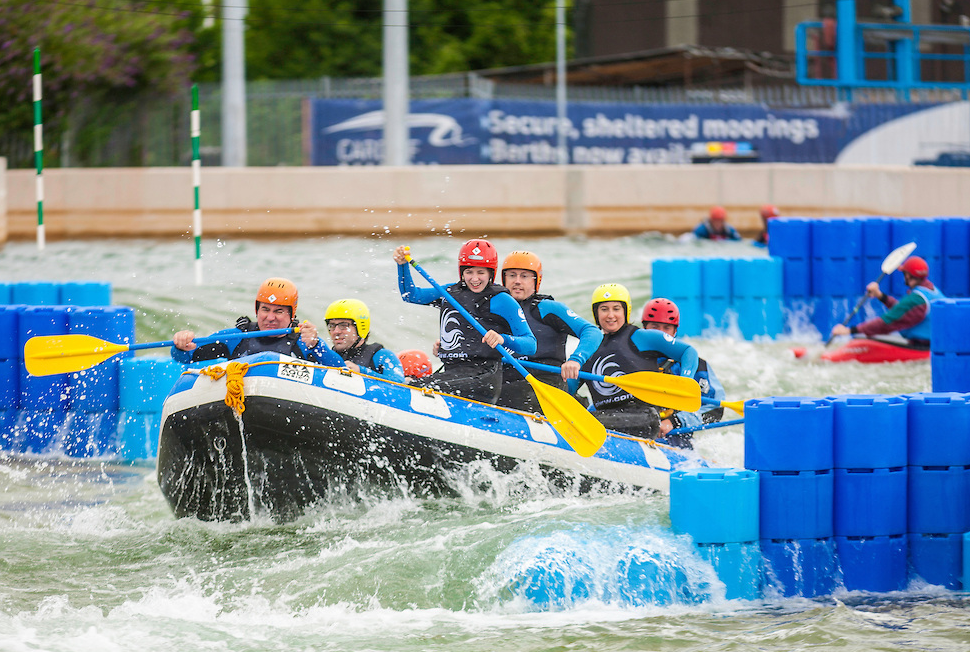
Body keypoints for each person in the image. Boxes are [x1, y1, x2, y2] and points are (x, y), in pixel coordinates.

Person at [391, 239, 537, 403]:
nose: (474, 279)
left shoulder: (503, 300)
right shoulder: (449, 292)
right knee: (411, 384)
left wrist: (503, 339)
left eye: (481, 272)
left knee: (414, 388)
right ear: (461, 272)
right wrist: (402, 265)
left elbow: (530, 345)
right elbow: (411, 296)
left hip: (483, 378)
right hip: (452, 373)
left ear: (491, 273)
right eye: (469, 272)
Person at [568, 283, 700, 447]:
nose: (610, 315)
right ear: (596, 313)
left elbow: (688, 352)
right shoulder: (588, 349)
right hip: (605, 416)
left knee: (585, 423)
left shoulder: (643, 337)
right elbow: (567, 390)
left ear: (626, 311)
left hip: (642, 417)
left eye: (616, 308)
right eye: (604, 309)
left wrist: (684, 381)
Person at [496, 250, 603, 412]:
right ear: (504, 279)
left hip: (544, 383)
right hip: (506, 382)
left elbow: (592, 331)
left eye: (524, 276)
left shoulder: (547, 308)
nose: (517, 281)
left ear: (536, 281)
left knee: (511, 395)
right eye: (512, 275)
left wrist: (576, 360)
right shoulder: (494, 310)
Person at [171, 277, 343, 366]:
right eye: (265, 310)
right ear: (256, 310)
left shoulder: (305, 342)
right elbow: (187, 357)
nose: (270, 317)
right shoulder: (237, 337)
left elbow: (340, 370)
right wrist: (181, 345)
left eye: (279, 311)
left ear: (292, 314)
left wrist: (316, 346)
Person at [641, 298, 727, 444]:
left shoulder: (696, 365)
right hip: (635, 432)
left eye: (666, 328)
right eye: (655, 327)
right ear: (644, 328)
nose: (661, 334)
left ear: (675, 331)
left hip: (676, 440)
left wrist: (675, 421)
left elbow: (714, 409)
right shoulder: (629, 359)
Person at [829, 255, 945, 347]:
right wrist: (880, 296)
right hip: (937, 344)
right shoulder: (933, 291)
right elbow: (903, 311)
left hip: (922, 347)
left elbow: (886, 322)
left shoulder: (917, 299)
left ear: (908, 276)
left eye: (904, 273)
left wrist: (850, 331)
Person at [324, 298, 405, 382]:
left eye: (344, 325)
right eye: (332, 325)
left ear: (360, 328)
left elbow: (399, 384)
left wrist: (361, 372)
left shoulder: (382, 355)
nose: (336, 331)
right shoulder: (329, 356)